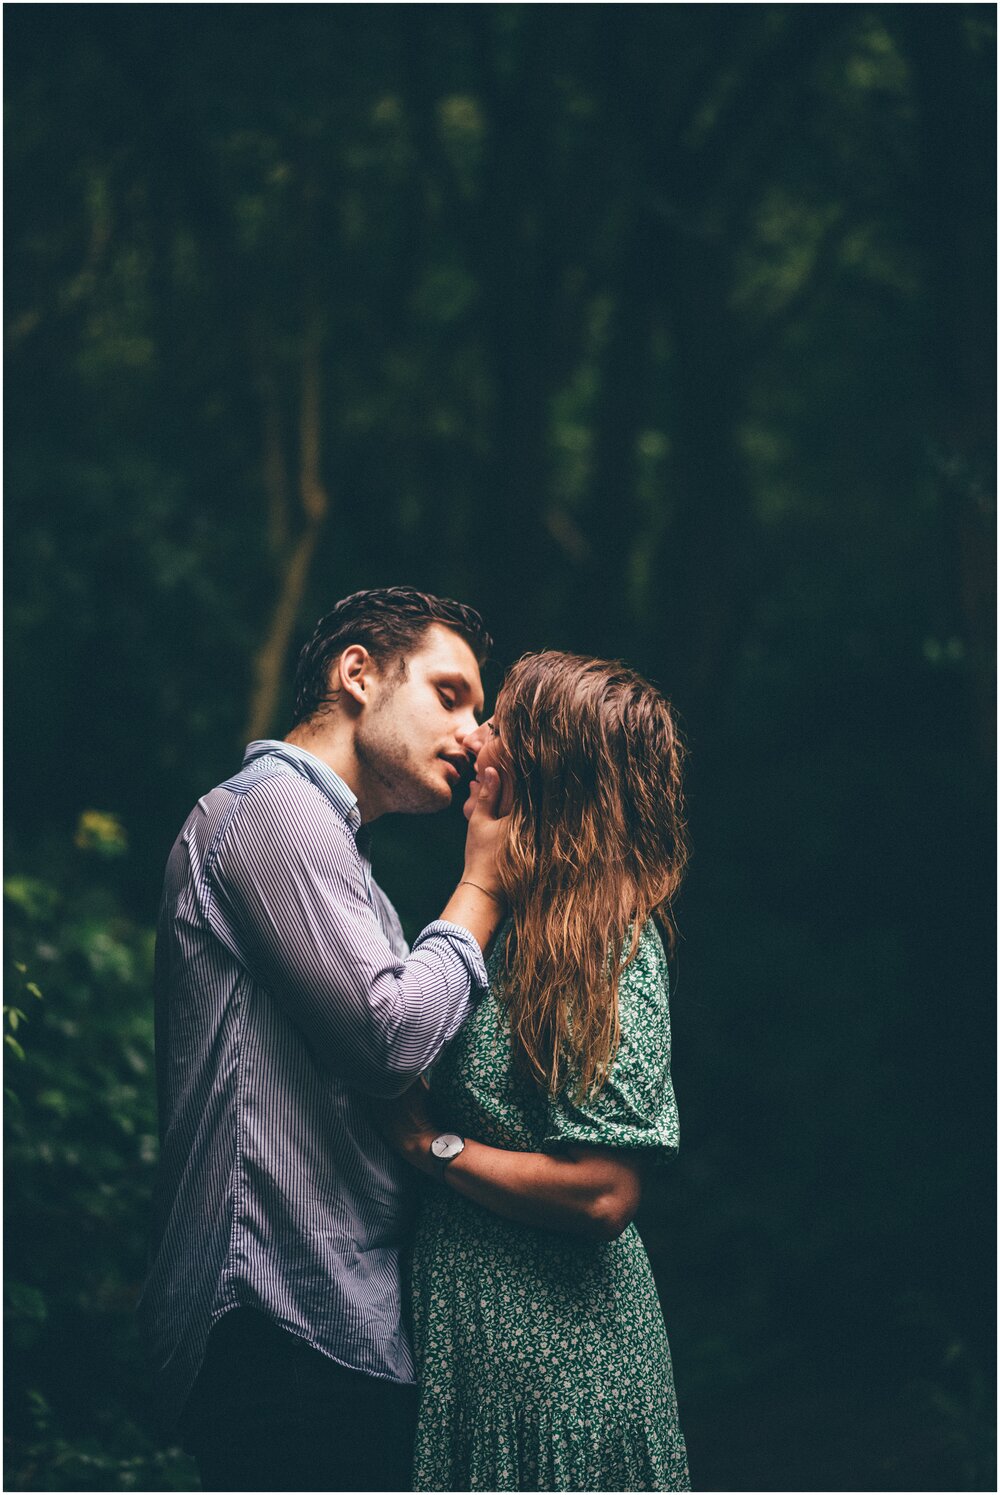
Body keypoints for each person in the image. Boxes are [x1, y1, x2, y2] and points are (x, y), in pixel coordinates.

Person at [136, 587, 508, 1493]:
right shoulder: (274, 810)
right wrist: (485, 885)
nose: (474, 735)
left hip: (336, 1329)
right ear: (357, 672)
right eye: (451, 695)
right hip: (278, 1320)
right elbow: (393, 1040)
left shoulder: (347, 866)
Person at [380, 650, 692, 1492]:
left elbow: (602, 1190)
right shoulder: (506, 921)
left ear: (551, 766)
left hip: (565, 1372)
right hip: (473, 1358)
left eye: (505, 723)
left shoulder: (611, 945)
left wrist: (430, 1147)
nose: (480, 736)